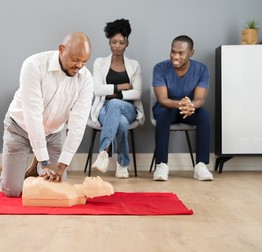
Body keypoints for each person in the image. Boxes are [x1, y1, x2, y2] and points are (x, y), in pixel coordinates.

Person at [0, 32, 93, 197]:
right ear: (61, 49)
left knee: (56, 186)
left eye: (84, 61)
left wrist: (62, 166)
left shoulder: (85, 79)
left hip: (53, 133)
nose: (79, 65)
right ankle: (13, 167)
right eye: (75, 59)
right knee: (12, 191)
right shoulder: (33, 65)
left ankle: (35, 164)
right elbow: (33, 116)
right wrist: (45, 162)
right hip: (20, 127)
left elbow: (78, 124)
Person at [152, 35, 213, 181]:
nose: (175, 56)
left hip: (189, 110)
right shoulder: (160, 68)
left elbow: (200, 99)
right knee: (163, 113)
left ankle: (201, 165)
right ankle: (161, 165)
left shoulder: (202, 69)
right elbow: (163, 99)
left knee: (204, 115)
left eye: (181, 53)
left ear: (191, 53)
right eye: (173, 52)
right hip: (167, 108)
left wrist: (190, 105)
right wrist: (183, 104)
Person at [90, 19, 144, 178]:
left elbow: (137, 93)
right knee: (119, 121)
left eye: (121, 42)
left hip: (129, 108)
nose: (117, 46)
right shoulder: (100, 62)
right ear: (109, 42)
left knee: (115, 103)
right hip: (104, 108)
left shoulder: (134, 65)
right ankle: (123, 164)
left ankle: (103, 153)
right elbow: (97, 90)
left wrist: (114, 94)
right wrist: (122, 86)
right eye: (114, 42)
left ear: (127, 43)